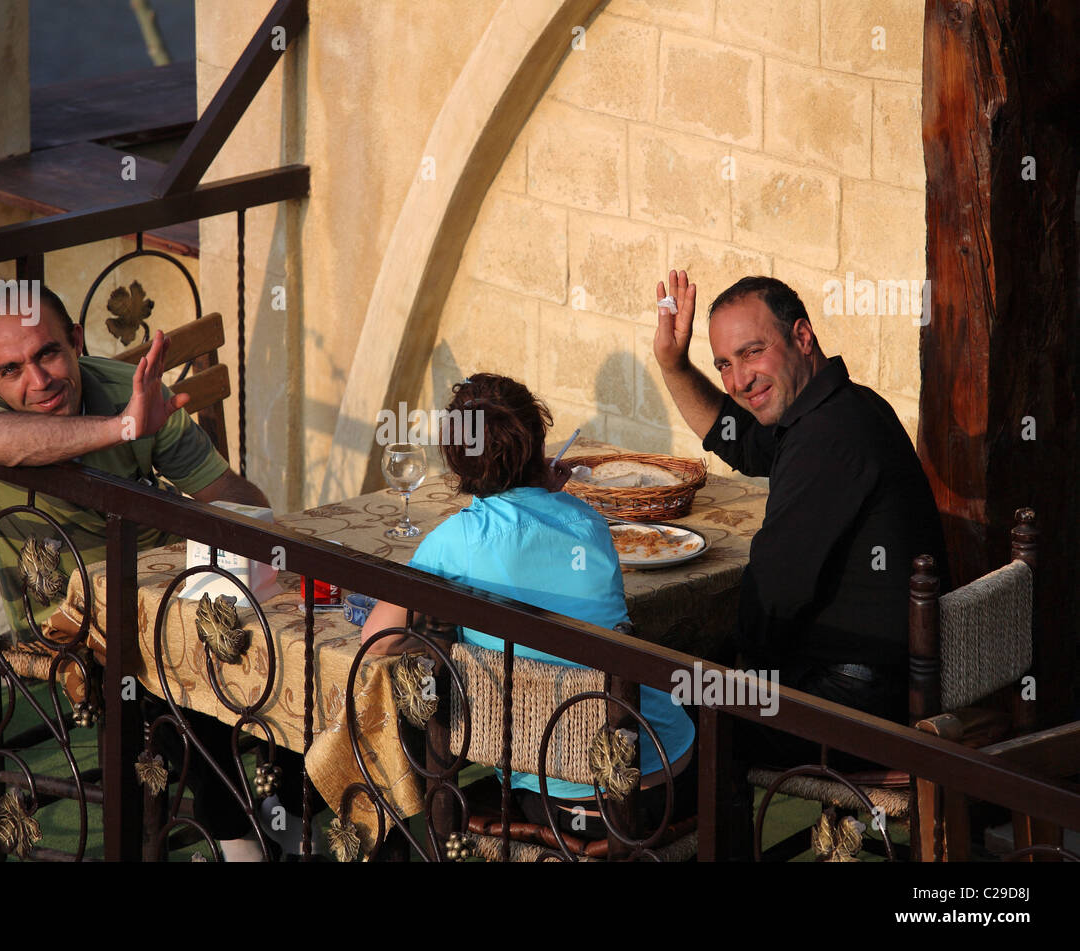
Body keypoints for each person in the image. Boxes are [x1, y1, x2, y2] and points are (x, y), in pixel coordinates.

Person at [0, 285, 284, 860]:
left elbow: (225, 492)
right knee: (179, 661)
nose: (38, 379)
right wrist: (124, 428)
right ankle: (240, 844)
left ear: (76, 340)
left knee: (300, 635)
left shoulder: (124, 387)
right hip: (70, 615)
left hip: (166, 576)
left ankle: (295, 825)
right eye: (11, 369)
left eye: (48, 353)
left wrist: (258, 543)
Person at [360, 373, 696, 837]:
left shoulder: (453, 543)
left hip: (559, 798)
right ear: (538, 443)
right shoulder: (590, 523)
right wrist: (546, 493)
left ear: (457, 460)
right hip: (663, 774)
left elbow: (379, 638)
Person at [650, 270, 948, 754]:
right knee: (685, 680)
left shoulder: (826, 437)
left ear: (802, 337)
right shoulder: (838, 406)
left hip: (856, 696)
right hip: (865, 672)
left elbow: (774, 595)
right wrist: (674, 365)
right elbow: (743, 443)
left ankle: (649, 827)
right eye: (724, 364)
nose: (739, 381)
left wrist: (732, 670)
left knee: (667, 707)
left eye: (751, 352)